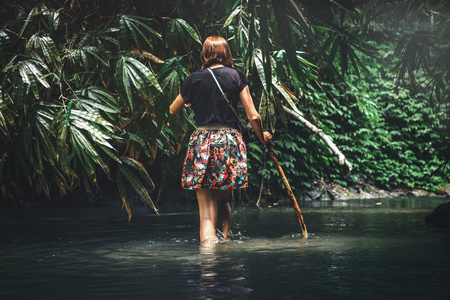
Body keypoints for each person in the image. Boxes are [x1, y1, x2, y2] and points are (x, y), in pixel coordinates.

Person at [169, 36, 272, 243]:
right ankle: (224, 246)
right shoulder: (235, 76)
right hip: (228, 141)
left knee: (206, 213)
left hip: (202, 140)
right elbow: (253, 116)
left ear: (205, 54)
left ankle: (208, 260)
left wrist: (192, 103)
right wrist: (262, 137)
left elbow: (173, 109)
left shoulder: (195, 78)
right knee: (224, 201)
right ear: (226, 53)